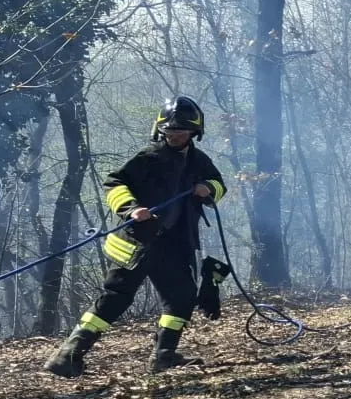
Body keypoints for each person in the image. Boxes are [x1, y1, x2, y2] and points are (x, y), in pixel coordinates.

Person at [45, 96, 227, 376]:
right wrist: (131, 209)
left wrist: (208, 189)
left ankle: (164, 355)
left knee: (182, 297)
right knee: (116, 297)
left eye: (181, 131)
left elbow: (219, 185)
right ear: (160, 131)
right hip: (138, 241)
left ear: (194, 132)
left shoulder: (199, 161)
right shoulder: (148, 157)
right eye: (169, 131)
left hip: (174, 244)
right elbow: (115, 183)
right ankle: (68, 355)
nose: (175, 136)